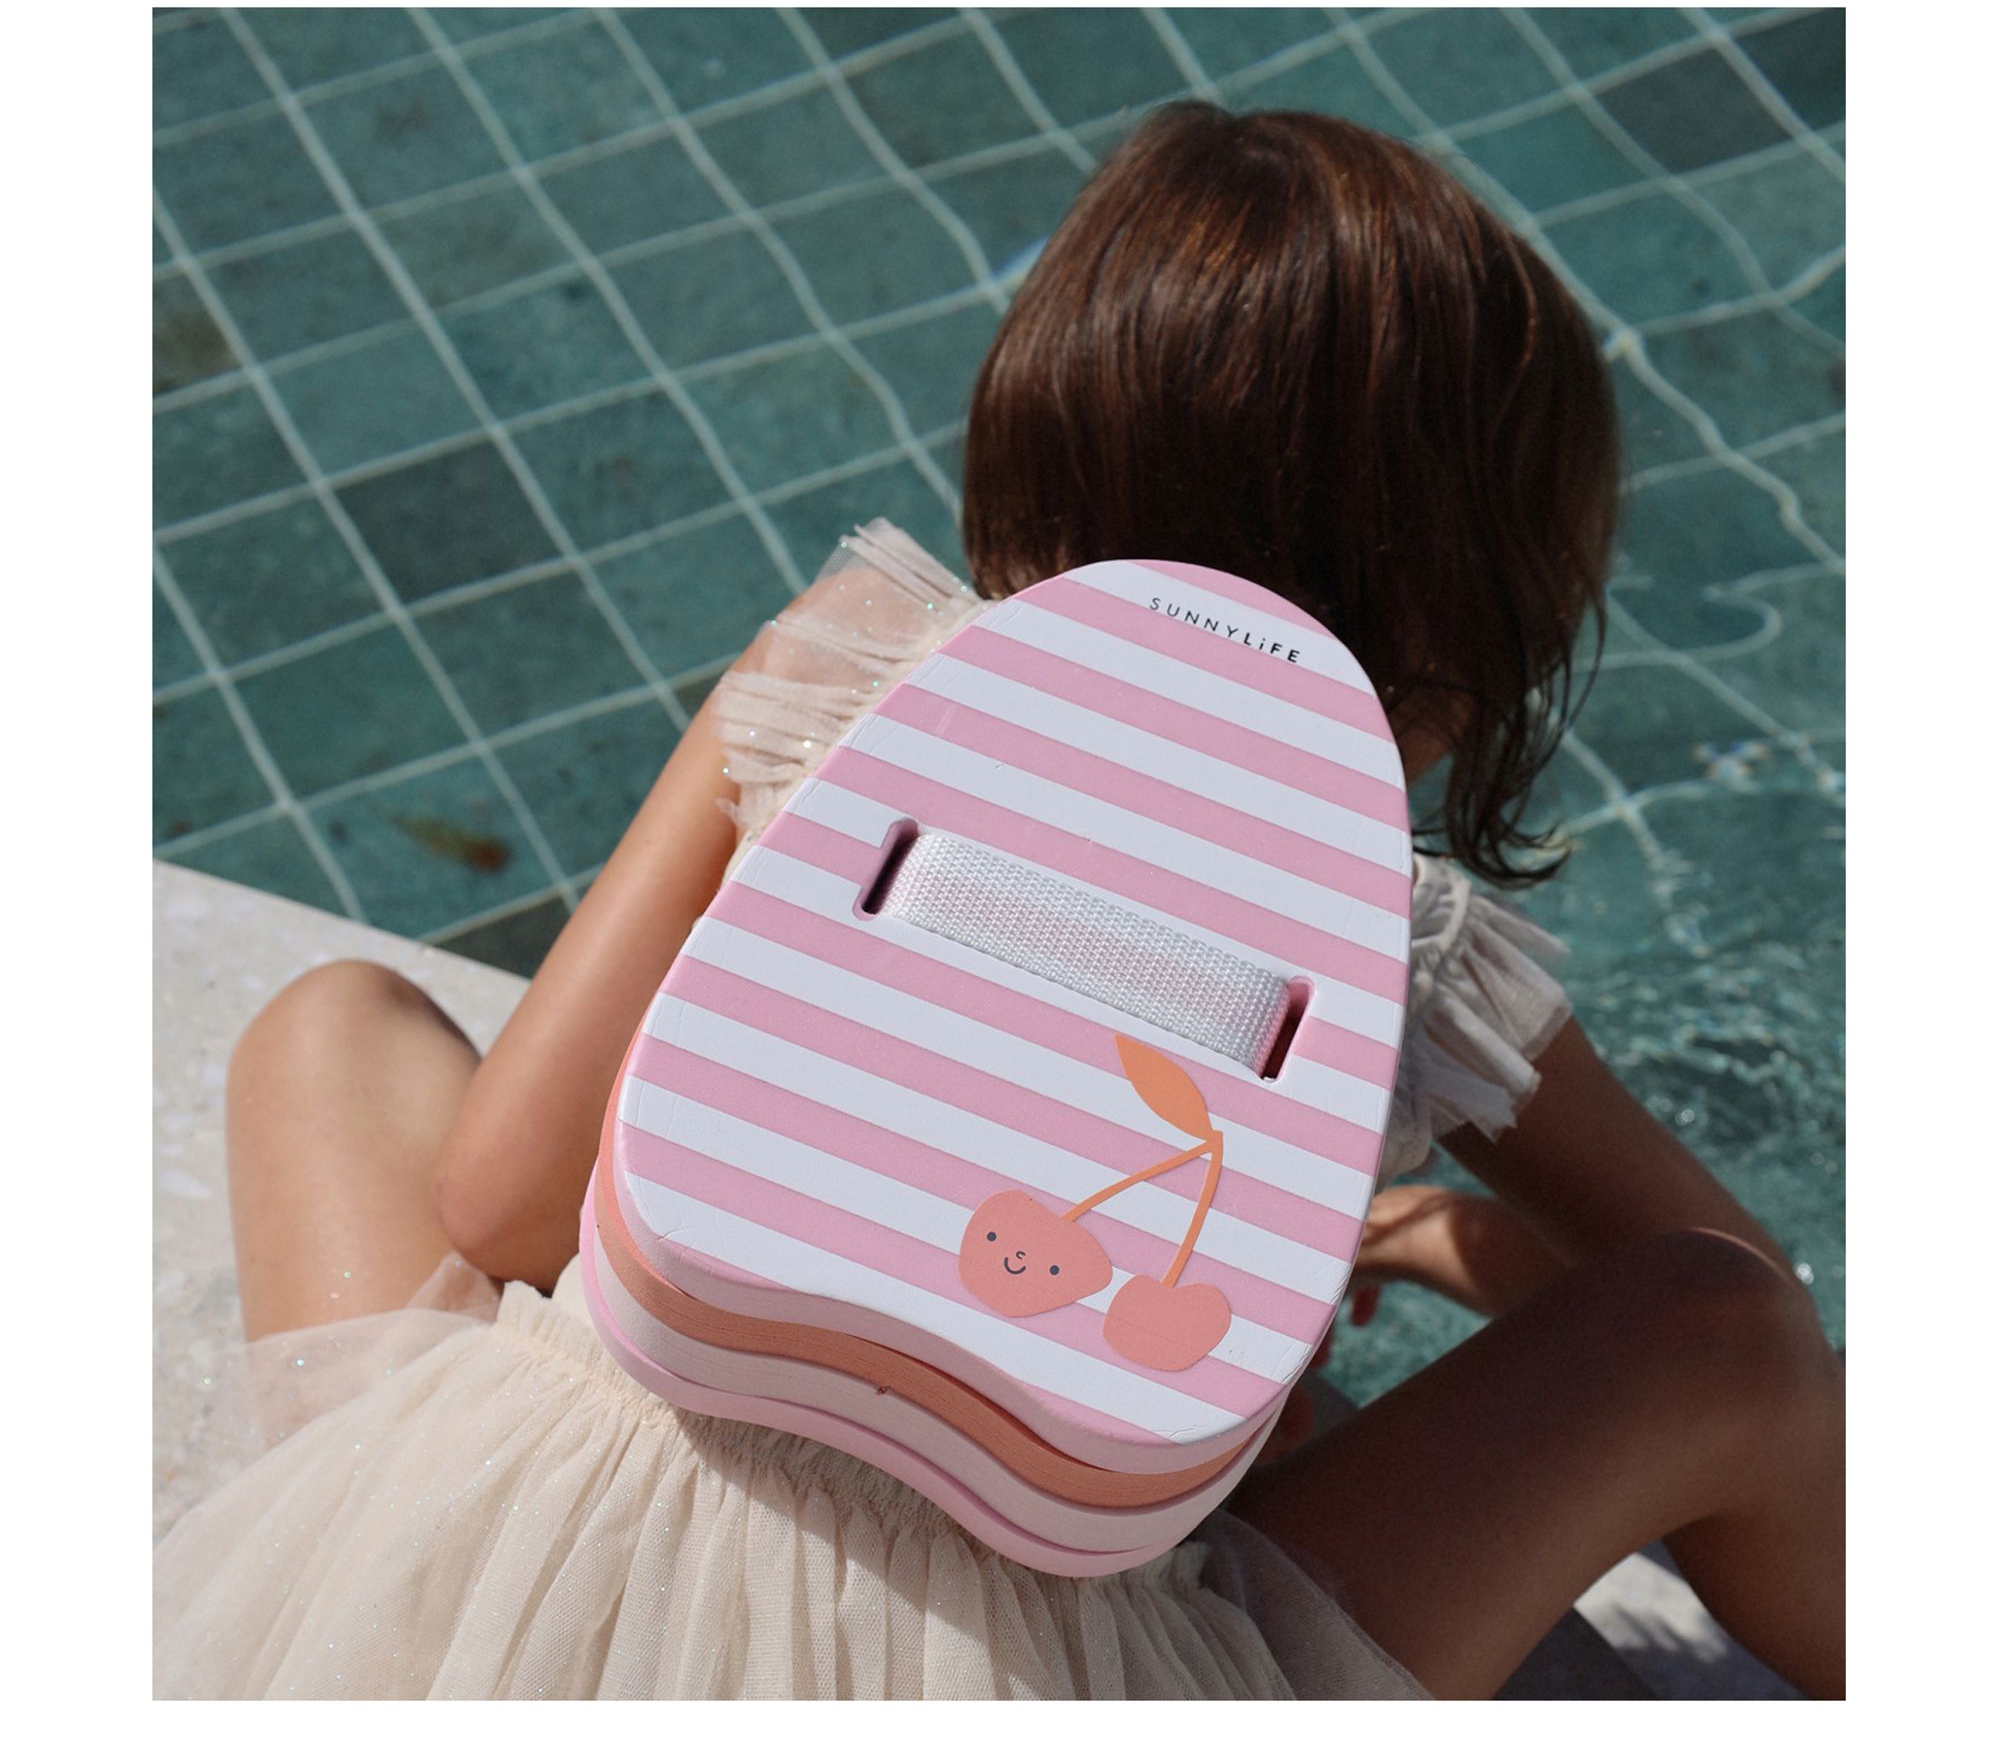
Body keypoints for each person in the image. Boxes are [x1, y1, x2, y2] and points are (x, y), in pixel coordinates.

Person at [155, 104, 1845, 1700]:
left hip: (539, 1563)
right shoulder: (1407, 950)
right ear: (1466, 650)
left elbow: (506, 1200)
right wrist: (1425, 1236)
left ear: (1030, 479)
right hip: (1068, 1673)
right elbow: (1727, 1272)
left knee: (334, 1026)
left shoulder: (838, 680)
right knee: (1722, 1331)